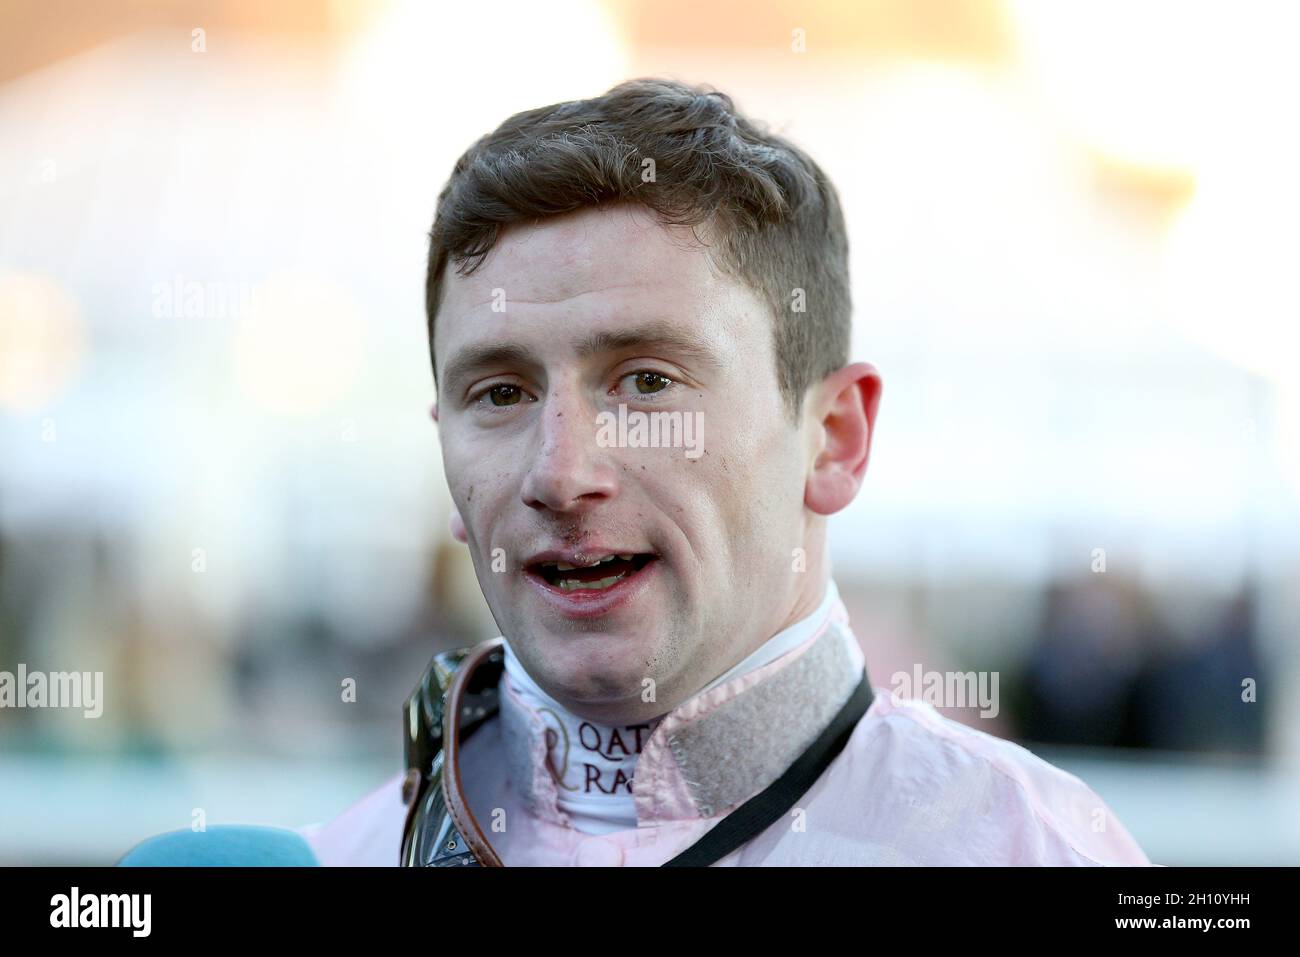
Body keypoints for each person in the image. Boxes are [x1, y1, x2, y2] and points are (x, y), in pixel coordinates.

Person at [299, 78, 1152, 867]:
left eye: (647, 382)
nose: (560, 475)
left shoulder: (1027, 849)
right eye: (501, 393)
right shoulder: (336, 859)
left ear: (835, 439)